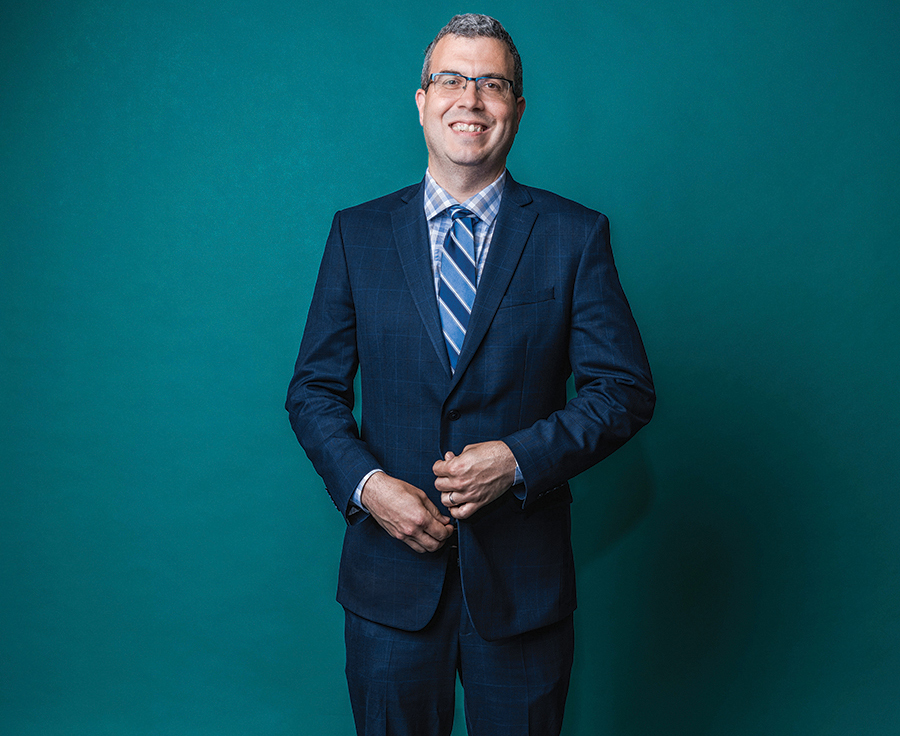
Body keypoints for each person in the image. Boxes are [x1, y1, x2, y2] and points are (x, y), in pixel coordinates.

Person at [286, 13, 654, 736]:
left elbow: (624, 390)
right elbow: (314, 391)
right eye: (452, 79)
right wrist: (371, 489)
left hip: (523, 591)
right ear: (421, 100)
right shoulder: (356, 235)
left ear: (517, 107)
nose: (471, 99)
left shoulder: (574, 235)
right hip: (389, 584)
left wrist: (519, 459)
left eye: (493, 84)